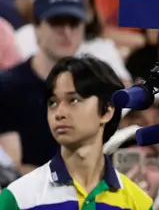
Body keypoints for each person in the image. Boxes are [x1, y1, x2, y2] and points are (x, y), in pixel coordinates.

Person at [0, 56, 151, 210]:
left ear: (107, 111)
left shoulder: (140, 204)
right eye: (53, 102)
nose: (59, 113)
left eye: (74, 100)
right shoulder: (18, 198)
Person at [0, 0, 91, 173]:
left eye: (74, 23)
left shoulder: (94, 87)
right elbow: (13, 168)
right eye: (57, 22)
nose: (67, 32)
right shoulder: (8, 87)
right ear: (37, 26)